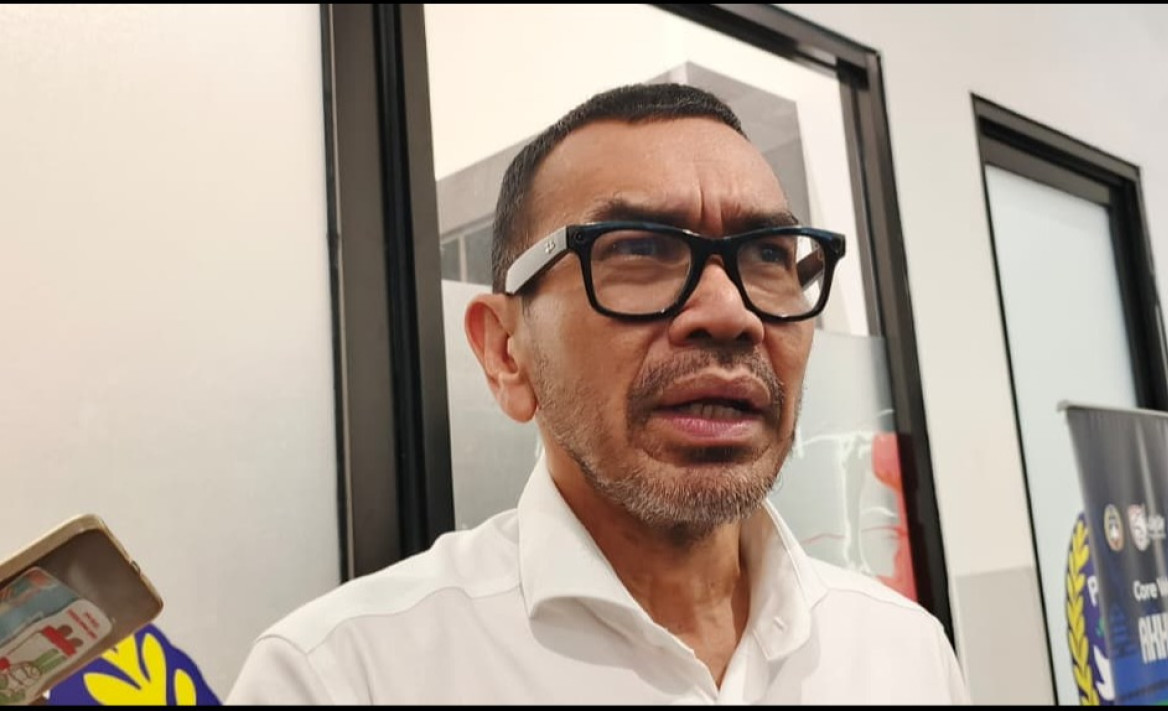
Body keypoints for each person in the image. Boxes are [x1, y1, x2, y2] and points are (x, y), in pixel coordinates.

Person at [227, 83, 969, 705]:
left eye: (767, 255)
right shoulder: (343, 676)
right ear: (506, 352)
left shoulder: (903, 653)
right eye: (639, 250)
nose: (729, 313)